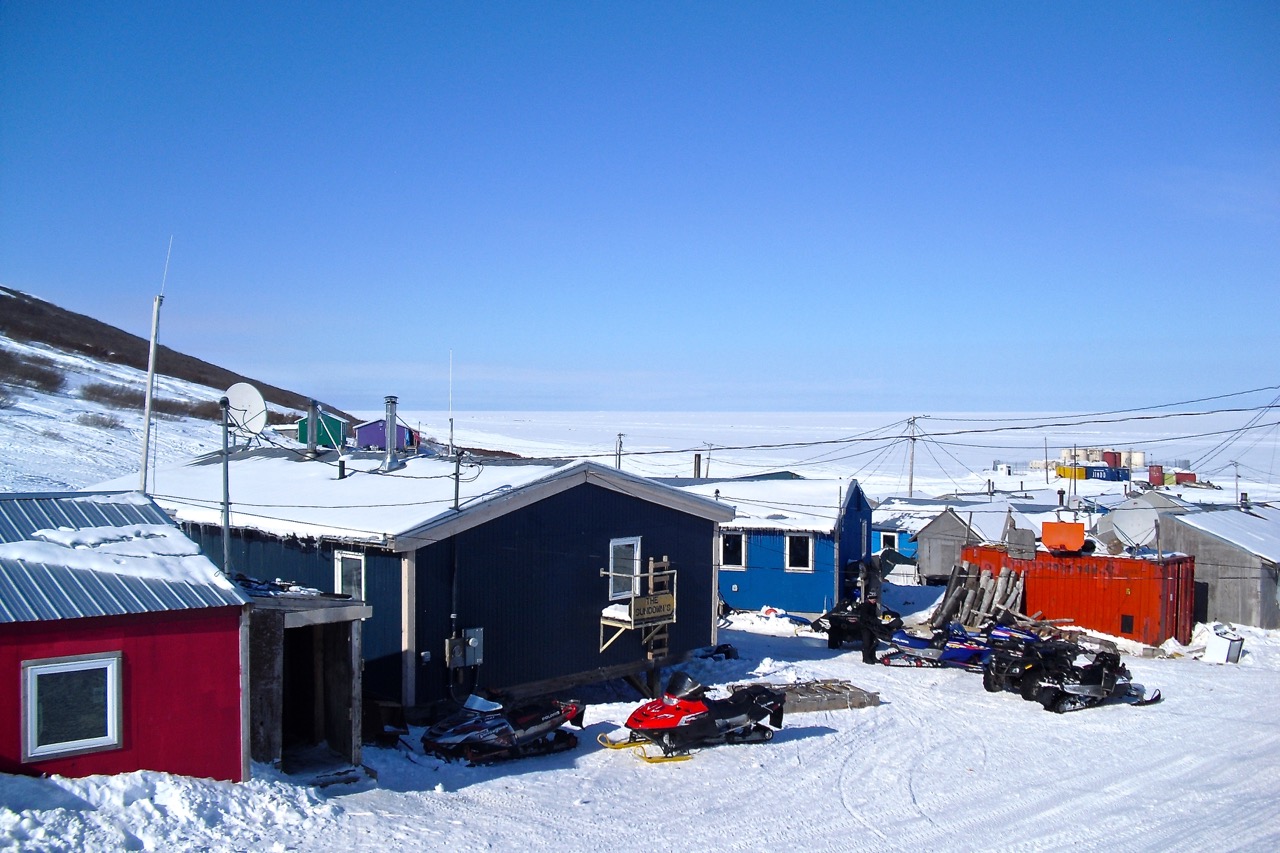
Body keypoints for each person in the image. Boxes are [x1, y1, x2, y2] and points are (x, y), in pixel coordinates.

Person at [857, 591, 881, 664]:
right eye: (873, 598)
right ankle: (866, 658)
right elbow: (865, 616)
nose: (874, 600)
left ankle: (873, 657)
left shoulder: (874, 605)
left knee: (873, 642)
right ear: (869, 598)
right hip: (865, 626)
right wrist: (873, 619)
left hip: (872, 626)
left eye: (875, 598)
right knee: (867, 642)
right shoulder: (865, 605)